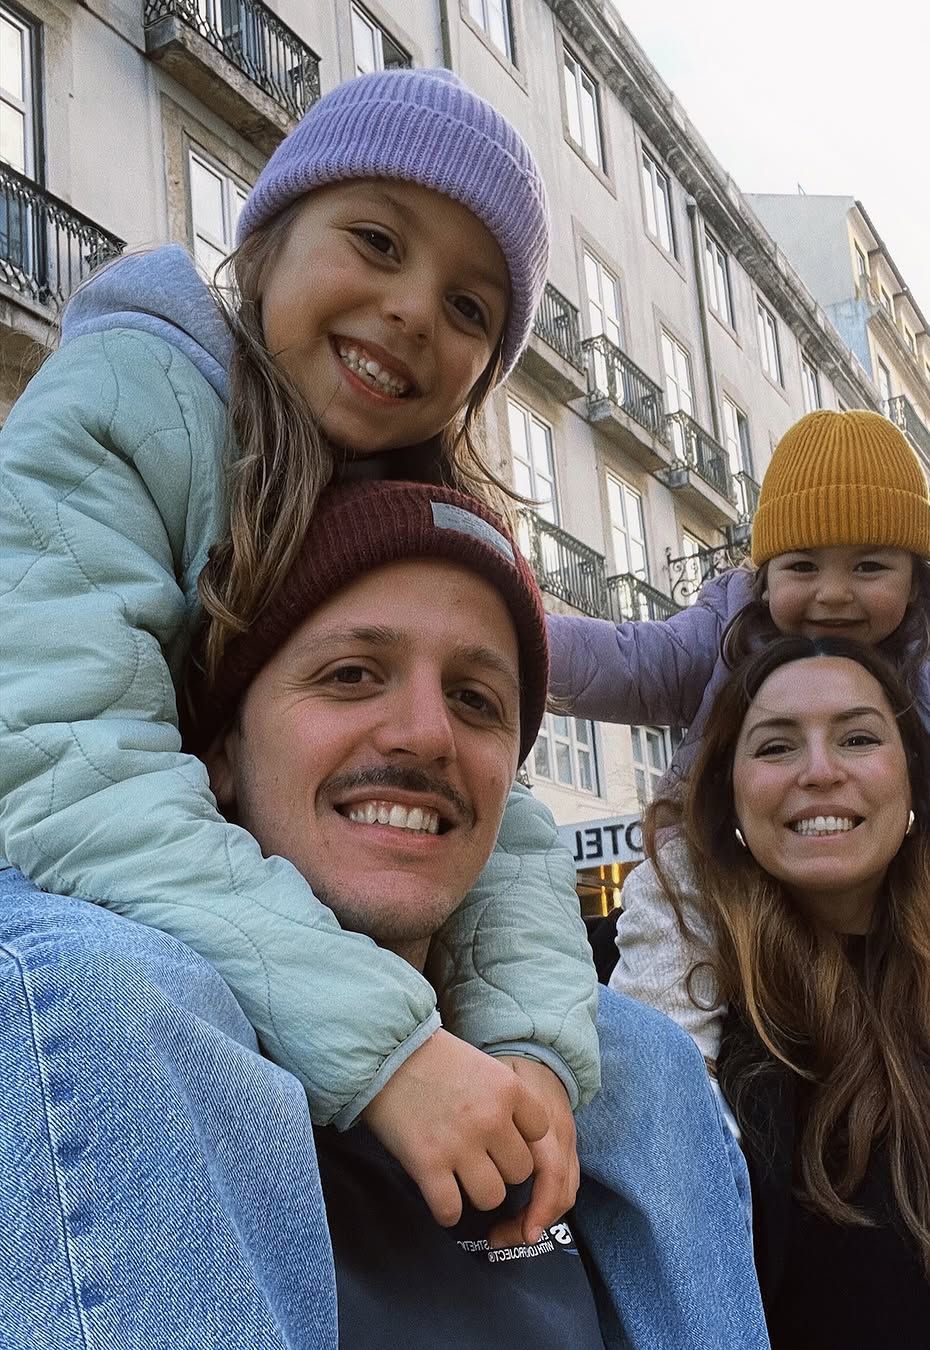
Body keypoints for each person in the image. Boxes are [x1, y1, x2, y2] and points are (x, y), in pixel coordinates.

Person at [0, 68, 599, 1243]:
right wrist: (389, 1046)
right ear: (266, 236)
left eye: (472, 308)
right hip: (59, 866)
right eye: (377, 240)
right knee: (109, 992)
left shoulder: (404, 506)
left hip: (262, 908)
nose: (417, 311)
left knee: (631, 1056)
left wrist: (531, 1050)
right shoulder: (130, 398)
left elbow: (515, 831)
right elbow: (62, 759)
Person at [0, 480, 770, 1350]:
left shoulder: (625, 1083)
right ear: (219, 753)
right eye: (351, 675)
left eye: (478, 699)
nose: (425, 733)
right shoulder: (58, 1056)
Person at [549, 408, 930, 1070]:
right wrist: (498, 627)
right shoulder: (723, 632)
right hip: (735, 855)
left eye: (868, 567)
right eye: (802, 566)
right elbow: (624, 661)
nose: (833, 595)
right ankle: (671, 1103)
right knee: (675, 886)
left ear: (916, 574)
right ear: (763, 577)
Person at [633, 634, 930, 1348]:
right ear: (732, 794)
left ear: (912, 782)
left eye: (859, 737)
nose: (819, 771)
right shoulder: (691, 1013)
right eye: (776, 747)